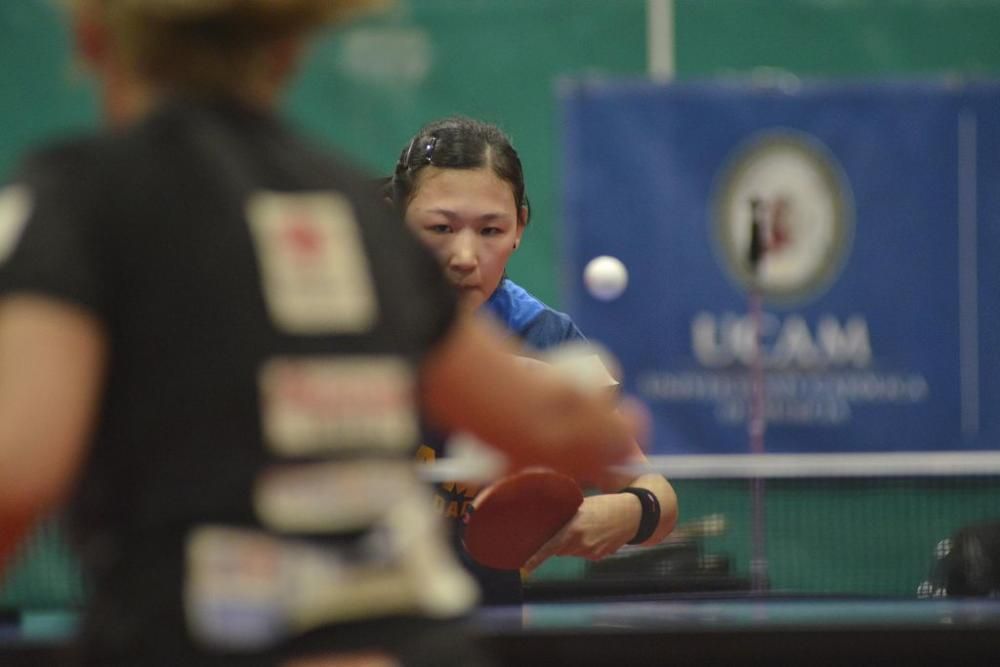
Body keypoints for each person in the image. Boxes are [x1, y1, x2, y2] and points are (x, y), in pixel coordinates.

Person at [0, 3, 644, 665]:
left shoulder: (78, 198)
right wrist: (567, 415)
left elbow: (17, 475)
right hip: (412, 643)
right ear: (286, 53)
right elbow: (575, 428)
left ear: (91, 38)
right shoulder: (348, 209)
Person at [388, 116, 678, 605]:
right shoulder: (353, 325)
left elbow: (658, 495)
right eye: (440, 227)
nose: (464, 255)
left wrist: (628, 512)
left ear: (519, 227)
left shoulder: (549, 338)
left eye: (490, 230)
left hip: (490, 625)